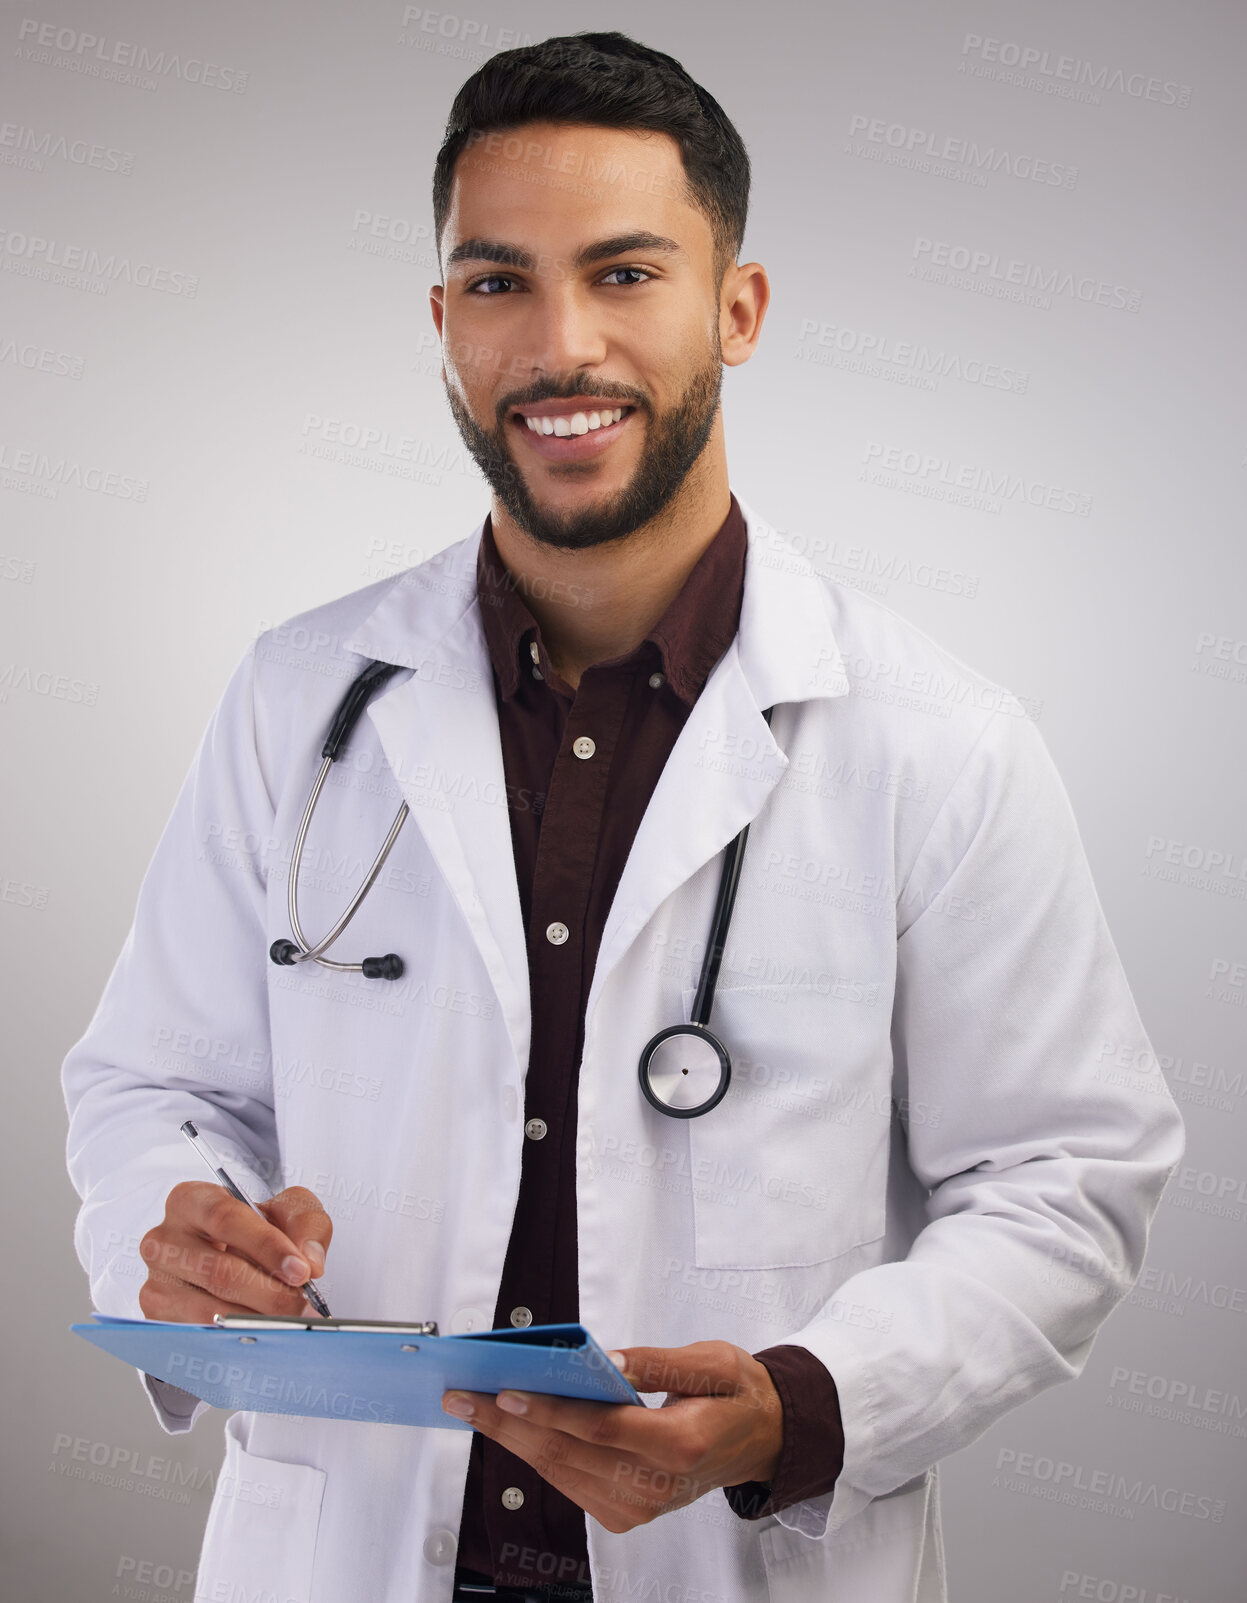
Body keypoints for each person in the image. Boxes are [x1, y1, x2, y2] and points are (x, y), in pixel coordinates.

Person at [62, 29, 1185, 1603]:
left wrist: (800, 1407)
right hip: (351, 1553)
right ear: (444, 322)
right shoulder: (296, 700)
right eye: (499, 281)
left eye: (627, 273)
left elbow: (1068, 1178)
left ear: (738, 309)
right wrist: (170, 1238)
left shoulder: (938, 742)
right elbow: (151, 1085)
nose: (559, 343)